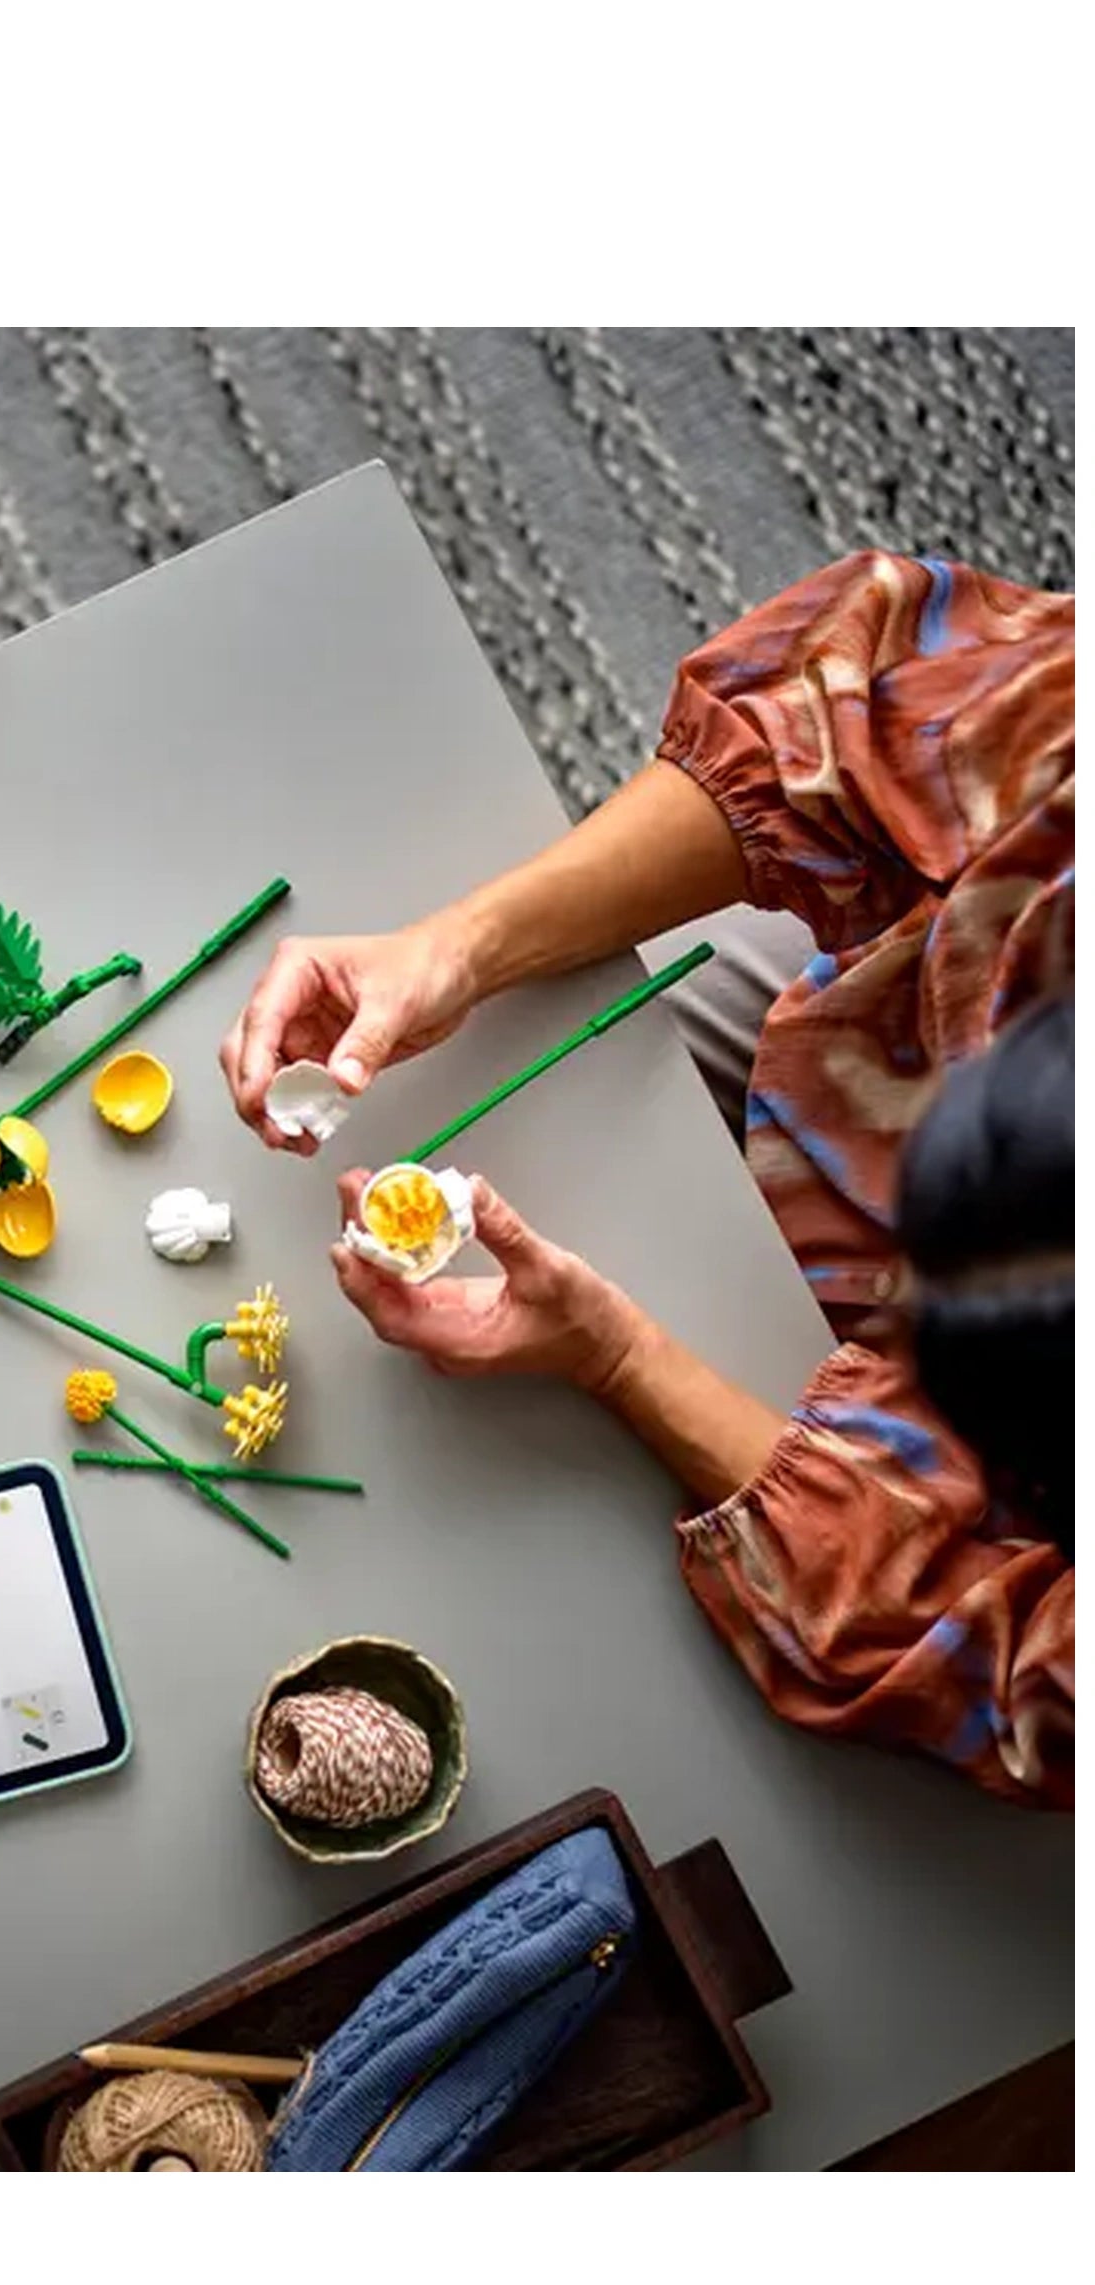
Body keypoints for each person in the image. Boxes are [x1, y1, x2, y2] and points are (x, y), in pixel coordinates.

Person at [222, 551, 1074, 1807]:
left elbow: (1000, 1675)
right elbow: (837, 730)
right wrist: (454, 950)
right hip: (870, 1007)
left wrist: (617, 1358)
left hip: (893, 1501)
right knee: (610, 1035)